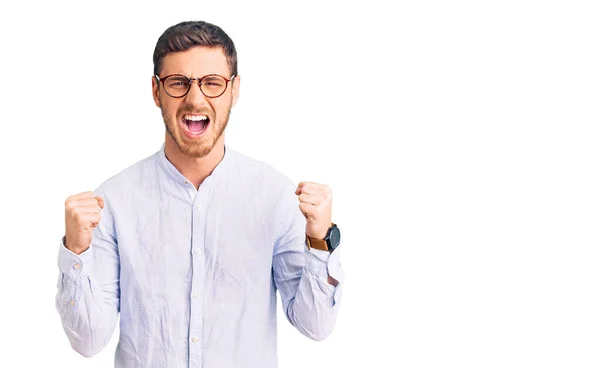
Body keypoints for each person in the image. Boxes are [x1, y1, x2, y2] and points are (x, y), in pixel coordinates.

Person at [55, 20, 343, 368]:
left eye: (212, 83)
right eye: (178, 83)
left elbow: (316, 326)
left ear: (234, 90)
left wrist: (319, 240)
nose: (195, 98)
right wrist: (76, 250)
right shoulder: (113, 202)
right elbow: (88, 341)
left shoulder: (276, 197)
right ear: (155, 90)